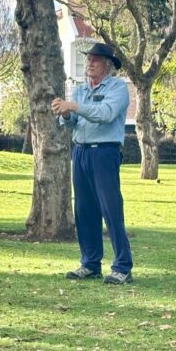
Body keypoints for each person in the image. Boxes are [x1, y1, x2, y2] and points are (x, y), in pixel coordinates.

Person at [52, 42, 133, 285]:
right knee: (84, 210)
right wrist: (65, 113)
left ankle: (122, 267)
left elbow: (105, 114)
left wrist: (73, 106)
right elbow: (71, 122)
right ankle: (90, 263)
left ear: (107, 65)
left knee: (110, 209)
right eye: (88, 59)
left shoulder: (118, 88)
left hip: (104, 152)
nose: (89, 63)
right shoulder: (80, 90)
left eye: (95, 60)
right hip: (81, 152)